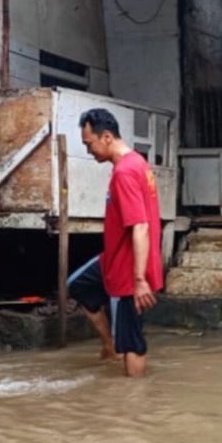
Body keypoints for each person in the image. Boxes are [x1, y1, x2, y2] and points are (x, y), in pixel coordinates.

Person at [67, 108, 162, 378]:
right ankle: (110, 346)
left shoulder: (125, 172)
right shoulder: (136, 164)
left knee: (132, 342)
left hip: (129, 270)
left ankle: (132, 407)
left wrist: (139, 279)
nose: (89, 150)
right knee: (78, 285)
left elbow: (140, 226)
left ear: (106, 136)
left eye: (90, 144)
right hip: (115, 257)